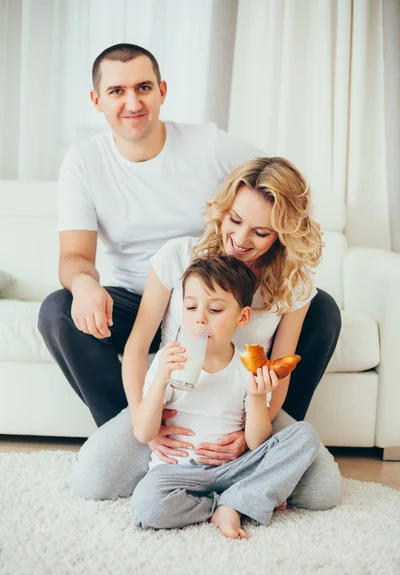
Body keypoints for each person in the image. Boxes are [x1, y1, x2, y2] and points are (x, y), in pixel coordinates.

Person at [37, 42, 341, 444]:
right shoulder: (84, 161)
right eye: (116, 91)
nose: (133, 102)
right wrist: (84, 284)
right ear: (97, 100)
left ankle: (265, 438)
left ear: (162, 90)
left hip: (215, 291)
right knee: (58, 310)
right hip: (137, 296)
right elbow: (73, 257)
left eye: (143, 87)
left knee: (321, 308)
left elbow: (278, 187)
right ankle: (137, 434)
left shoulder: (209, 145)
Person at [72, 156, 341, 512]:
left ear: (283, 233)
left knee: (322, 491)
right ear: (224, 209)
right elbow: (137, 347)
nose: (241, 240)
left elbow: (278, 369)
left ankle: (229, 488)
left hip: (245, 409)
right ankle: (188, 481)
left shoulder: (294, 284)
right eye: (235, 220)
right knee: (92, 479)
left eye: (261, 233)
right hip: (176, 405)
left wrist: (248, 440)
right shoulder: (178, 256)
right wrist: (144, 421)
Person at [129, 255, 321, 538]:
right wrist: (160, 381)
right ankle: (229, 504)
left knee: (305, 436)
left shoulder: (246, 366)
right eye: (191, 307)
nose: (200, 318)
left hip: (235, 467)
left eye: (216, 309)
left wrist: (256, 397)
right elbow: (144, 434)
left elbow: (256, 443)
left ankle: (237, 497)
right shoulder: (167, 362)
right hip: (177, 472)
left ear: (242, 317)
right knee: (147, 506)